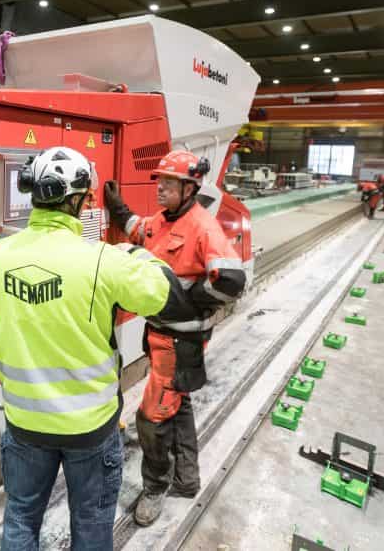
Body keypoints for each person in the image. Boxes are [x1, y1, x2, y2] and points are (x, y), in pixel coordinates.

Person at [0, 146, 198, 550]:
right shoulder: (103, 260)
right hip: (89, 430)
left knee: (22, 517)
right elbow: (164, 294)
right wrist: (136, 254)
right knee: (92, 524)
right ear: (77, 200)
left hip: (24, 425)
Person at [103, 150, 246, 527]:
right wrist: (116, 208)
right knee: (176, 404)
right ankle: (186, 479)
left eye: (168, 183)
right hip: (159, 336)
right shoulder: (160, 222)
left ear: (189, 188)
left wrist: (189, 301)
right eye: (159, 182)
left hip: (180, 342)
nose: (160, 189)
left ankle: (154, 487)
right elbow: (137, 227)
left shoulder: (202, 226)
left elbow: (231, 280)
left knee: (151, 417)